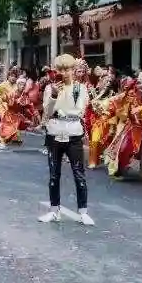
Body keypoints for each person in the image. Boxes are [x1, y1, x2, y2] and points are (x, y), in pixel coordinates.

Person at [39, 54, 92, 226]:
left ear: (73, 70)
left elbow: (80, 111)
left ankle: (83, 212)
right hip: (54, 133)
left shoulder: (80, 88)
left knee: (79, 174)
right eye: (60, 69)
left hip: (74, 134)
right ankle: (54, 211)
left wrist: (64, 108)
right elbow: (47, 112)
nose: (64, 72)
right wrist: (54, 96)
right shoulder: (50, 88)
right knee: (54, 175)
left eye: (67, 69)